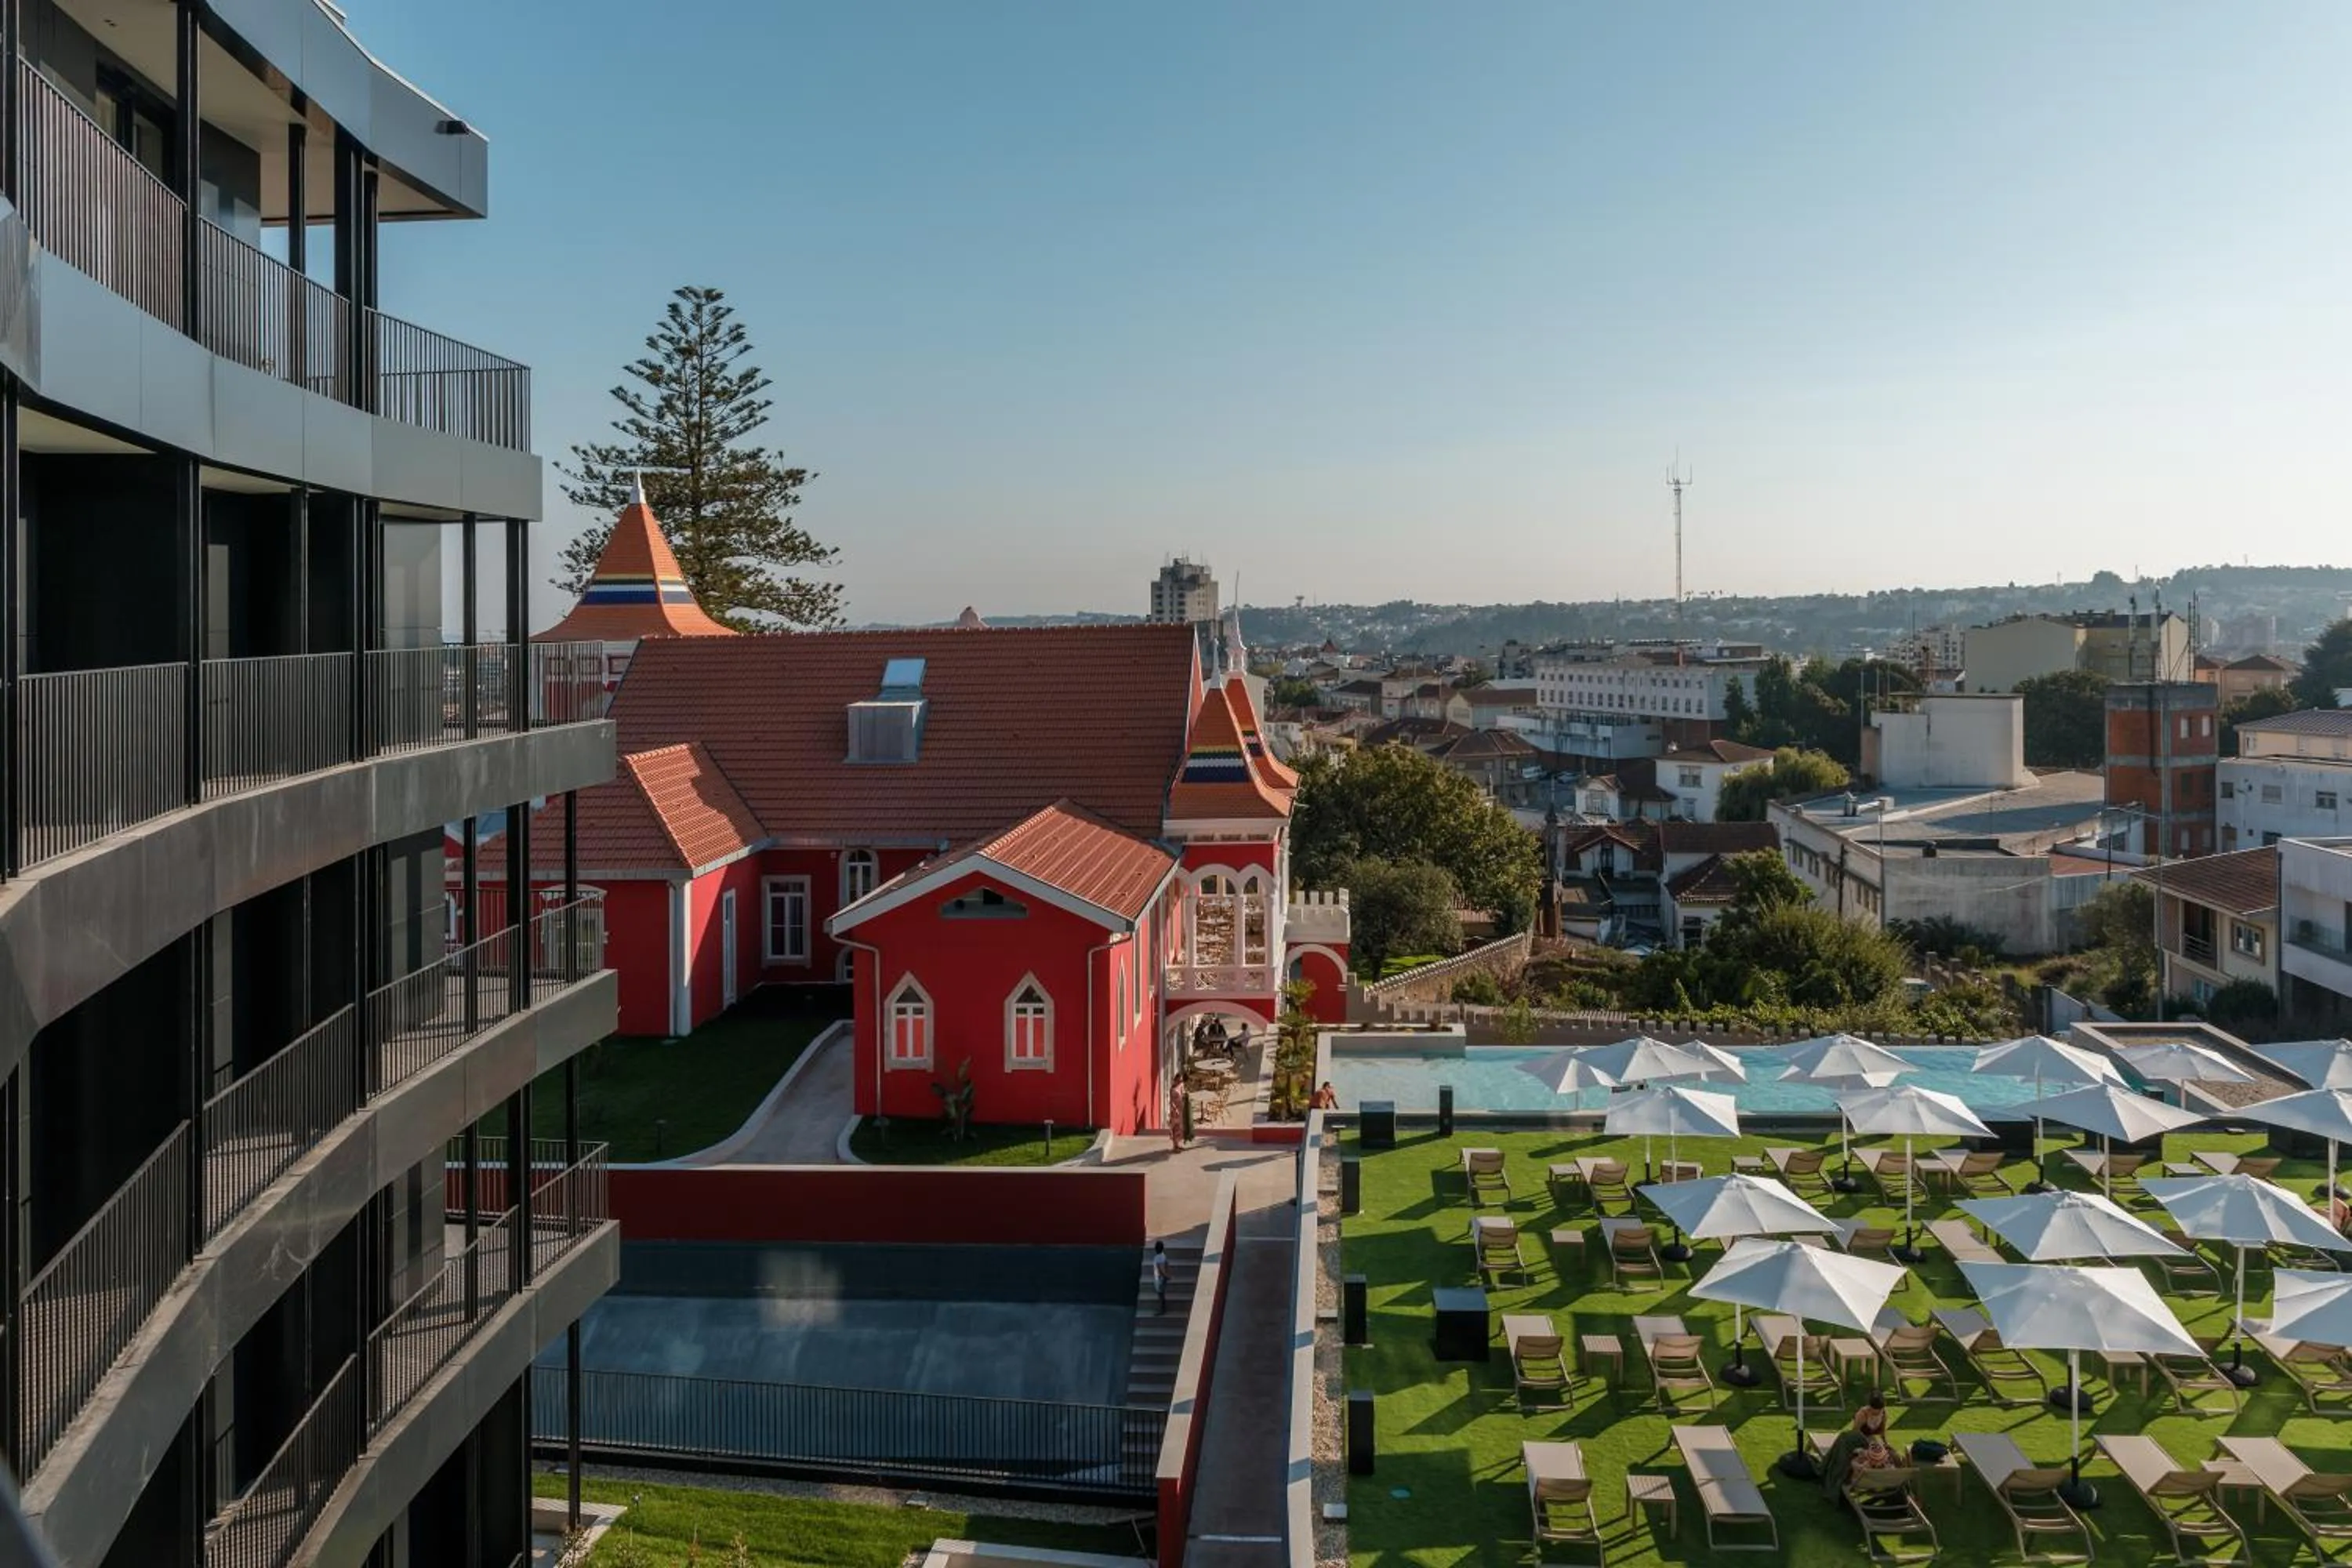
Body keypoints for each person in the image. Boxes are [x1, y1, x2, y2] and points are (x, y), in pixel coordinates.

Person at [1819, 1392, 1889, 1501]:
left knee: (1883, 1457)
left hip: (1871, 1440)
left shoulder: (1884, 1413)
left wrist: (1885, 1444)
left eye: (1879, 1411)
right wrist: (1865, 1447)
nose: (1877, 1413)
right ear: (1870, 1407)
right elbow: (1855, 1433)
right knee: (1863, 1458)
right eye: (1875, 1411)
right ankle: (1854, 1478)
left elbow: (1882, 1432)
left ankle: (1875, 1481)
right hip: (1860, 1440)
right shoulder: (1862, 1414)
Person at [1152, 1240, 1170, 1315]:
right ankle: (1163, 1309)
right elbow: (1166, 1265)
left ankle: (1162, 1310)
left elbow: (1161, 1268)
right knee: (1162, 1295)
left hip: (1160, 1279)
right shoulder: (1163, 1256)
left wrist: (1166, 1276)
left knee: (1161, 1295)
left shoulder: (1158, 1257)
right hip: (1161, 1278)